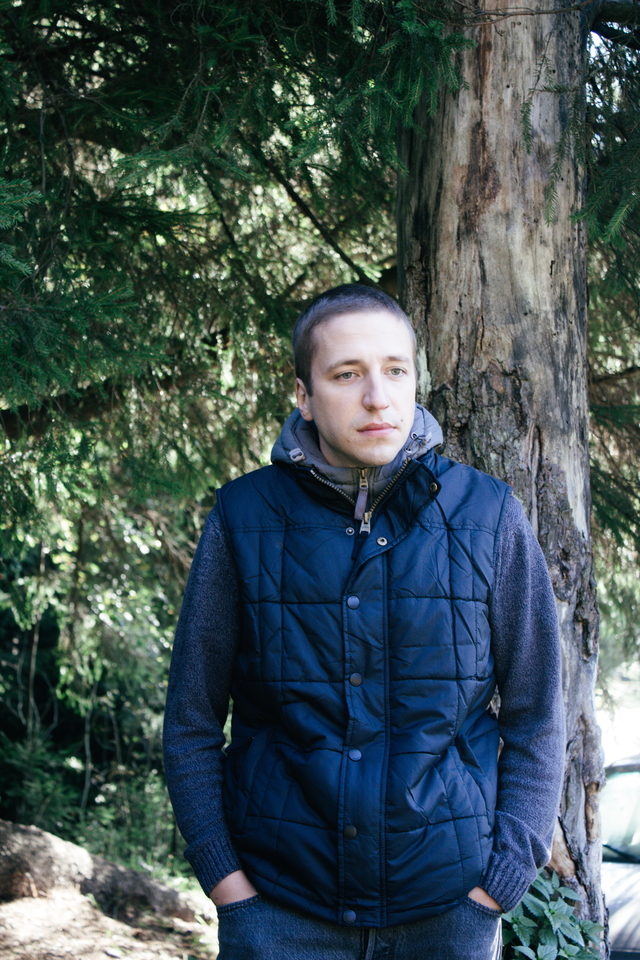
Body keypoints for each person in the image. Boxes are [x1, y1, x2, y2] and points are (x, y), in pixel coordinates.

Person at [163, 284, 565, 960]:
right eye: (347, 374)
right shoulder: (242, 518)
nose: (378, 397)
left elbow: (537, 713)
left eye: (395, 370)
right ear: (304, 394)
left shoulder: (488, 516)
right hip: (280, 913)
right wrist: (228, 885)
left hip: (449, 914)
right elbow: (191, 719)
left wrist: (497, 888)